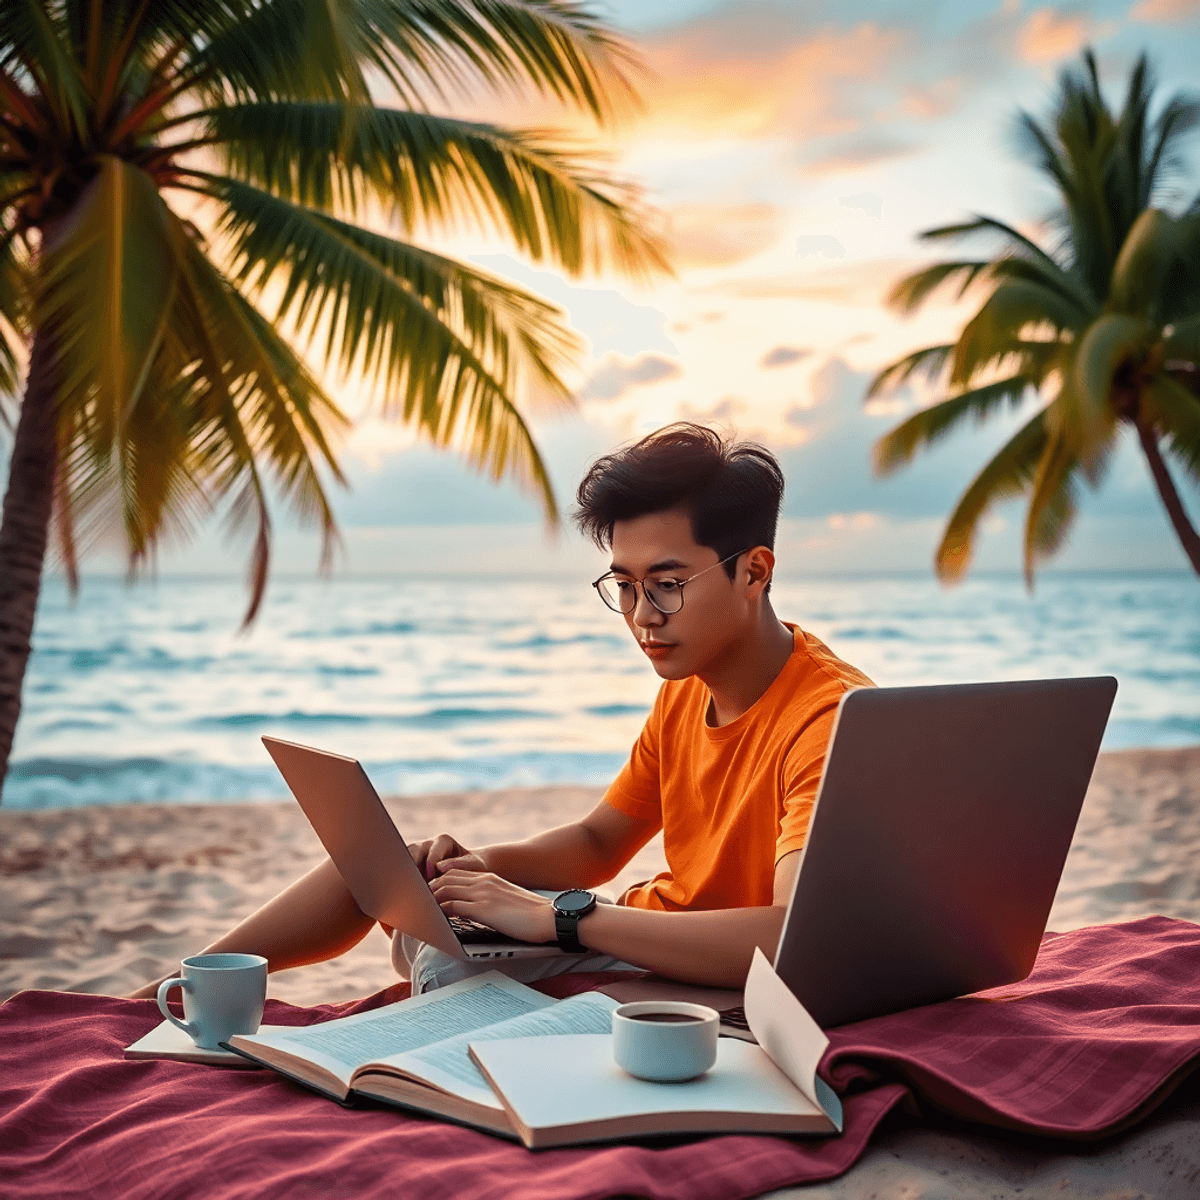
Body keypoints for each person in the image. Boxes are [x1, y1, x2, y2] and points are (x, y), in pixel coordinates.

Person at [130, 423, 872, 1000]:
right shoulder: (687, 686)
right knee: (408, 874)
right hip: (639, 933)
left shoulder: (830, 718)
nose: (642, 615)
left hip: (709, 980)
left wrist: (557, 920)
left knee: (446, 964)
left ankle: (184, 995)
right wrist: (484, 870)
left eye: (667, 584)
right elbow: (596, 841)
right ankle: (173, 991)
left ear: (755, 570)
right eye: (623, 585)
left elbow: (786, 938)